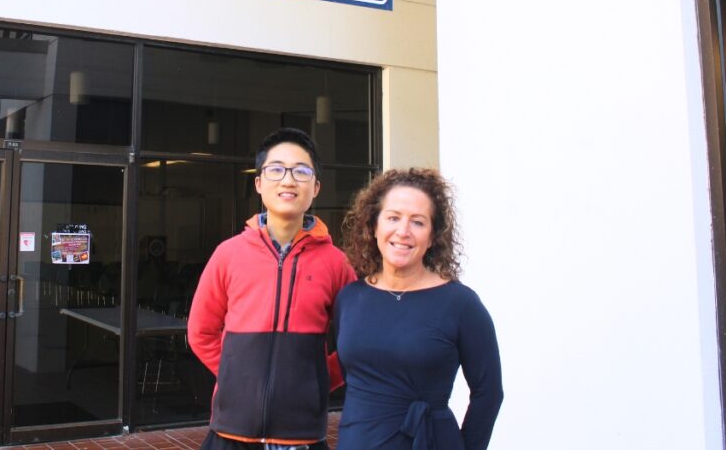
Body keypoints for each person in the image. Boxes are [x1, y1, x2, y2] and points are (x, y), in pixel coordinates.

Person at [188, 127, 357, 450]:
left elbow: (356, 340)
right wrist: (237, 375)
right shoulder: (229, 253)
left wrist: (318, 380)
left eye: (301, 171)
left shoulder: (336, 263)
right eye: (276, 169)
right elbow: (201, 331)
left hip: (302, 434)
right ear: (259, 183)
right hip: (230, 431)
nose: (288, 180)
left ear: (316, 187)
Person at [335, 168, 503, 450]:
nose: (403, 231)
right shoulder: (350, 298)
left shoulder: (461, 304)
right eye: (393, 218)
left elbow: (489, 393)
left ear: (433, 235)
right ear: (374, 225)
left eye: (418, 222)